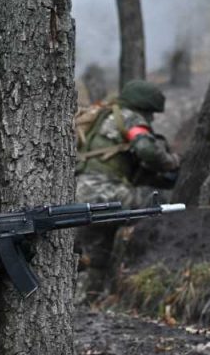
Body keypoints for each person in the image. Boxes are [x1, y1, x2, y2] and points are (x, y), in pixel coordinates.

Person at [75, 79, 180, 298]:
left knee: (95, 249)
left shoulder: (105, 116)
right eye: (150, 113)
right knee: (159, 207)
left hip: (81, 192)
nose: (150, 119)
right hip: (106, 193)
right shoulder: (130, 118)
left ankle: (86, 297)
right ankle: (145, 276)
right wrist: (171, 162)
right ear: (143, 107)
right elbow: (146, 149)